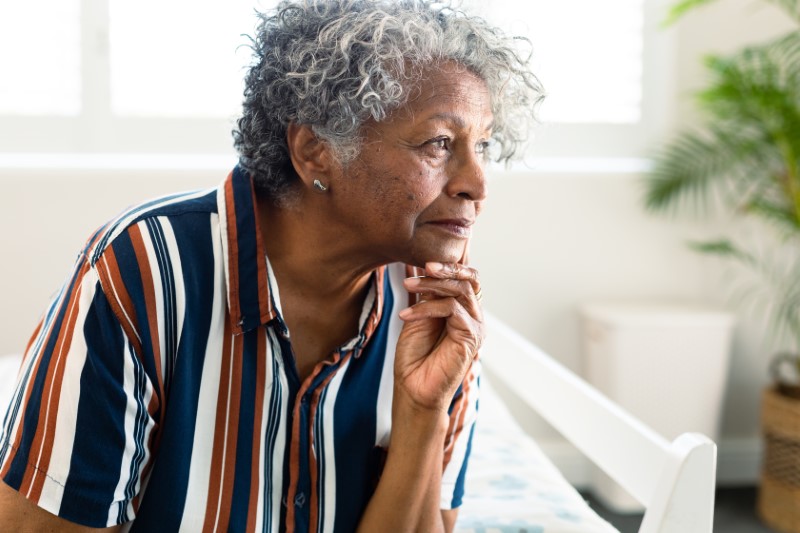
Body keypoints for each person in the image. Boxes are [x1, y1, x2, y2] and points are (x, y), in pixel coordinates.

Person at [0, 0, 541, 531]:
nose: (477, 184)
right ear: (315, 151)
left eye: (483, 146)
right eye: (439, 143)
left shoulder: (436, 303)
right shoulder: (142, 271)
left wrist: (424, 412)